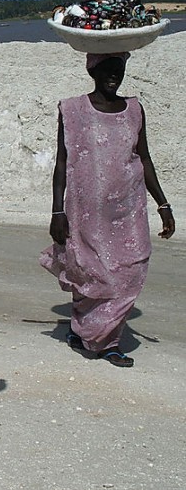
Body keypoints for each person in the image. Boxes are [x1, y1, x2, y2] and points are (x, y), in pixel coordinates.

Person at [40, 52, 175, 367]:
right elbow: (62, 163)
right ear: (93, 70)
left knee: (131, 270)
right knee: (90, 272)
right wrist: (56, 211)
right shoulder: (72, 110)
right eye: (107, 69)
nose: (114, 75)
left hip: (129, 209)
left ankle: (99, 335)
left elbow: (144, 158)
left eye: (120, 69)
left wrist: (163, 203)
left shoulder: (134, 110)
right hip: (86, 212)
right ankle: (98, 338)